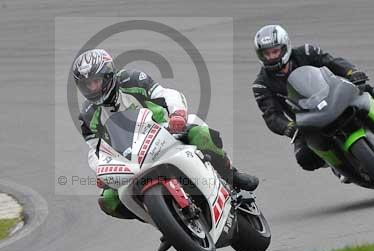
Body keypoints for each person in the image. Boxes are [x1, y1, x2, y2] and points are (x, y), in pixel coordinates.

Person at [72, 48, 259, 235]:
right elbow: (95, 150)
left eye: (96, 81)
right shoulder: (87, 115)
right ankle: (165, 221)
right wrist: (101, 170)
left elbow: (166, 94)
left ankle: (232, 176)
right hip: (129, 159)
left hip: (164, 131)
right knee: (108, 200)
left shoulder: (132, 79)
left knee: (200, 133)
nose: (92, 88)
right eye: (87, 85)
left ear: (108, 75)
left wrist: (177, 114)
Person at [251, 24, 374, 180]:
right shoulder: (261, 84)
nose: (271, 56)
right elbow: (271, 115)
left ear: (285, 47)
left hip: (333, 96)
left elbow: (333, 62)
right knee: (304, 158)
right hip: (307, 120)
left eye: (275, 51)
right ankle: (336, 164)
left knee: (366, 88)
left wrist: (352, 72)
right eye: (267, 53)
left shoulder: (306, 52)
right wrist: (290, 127)